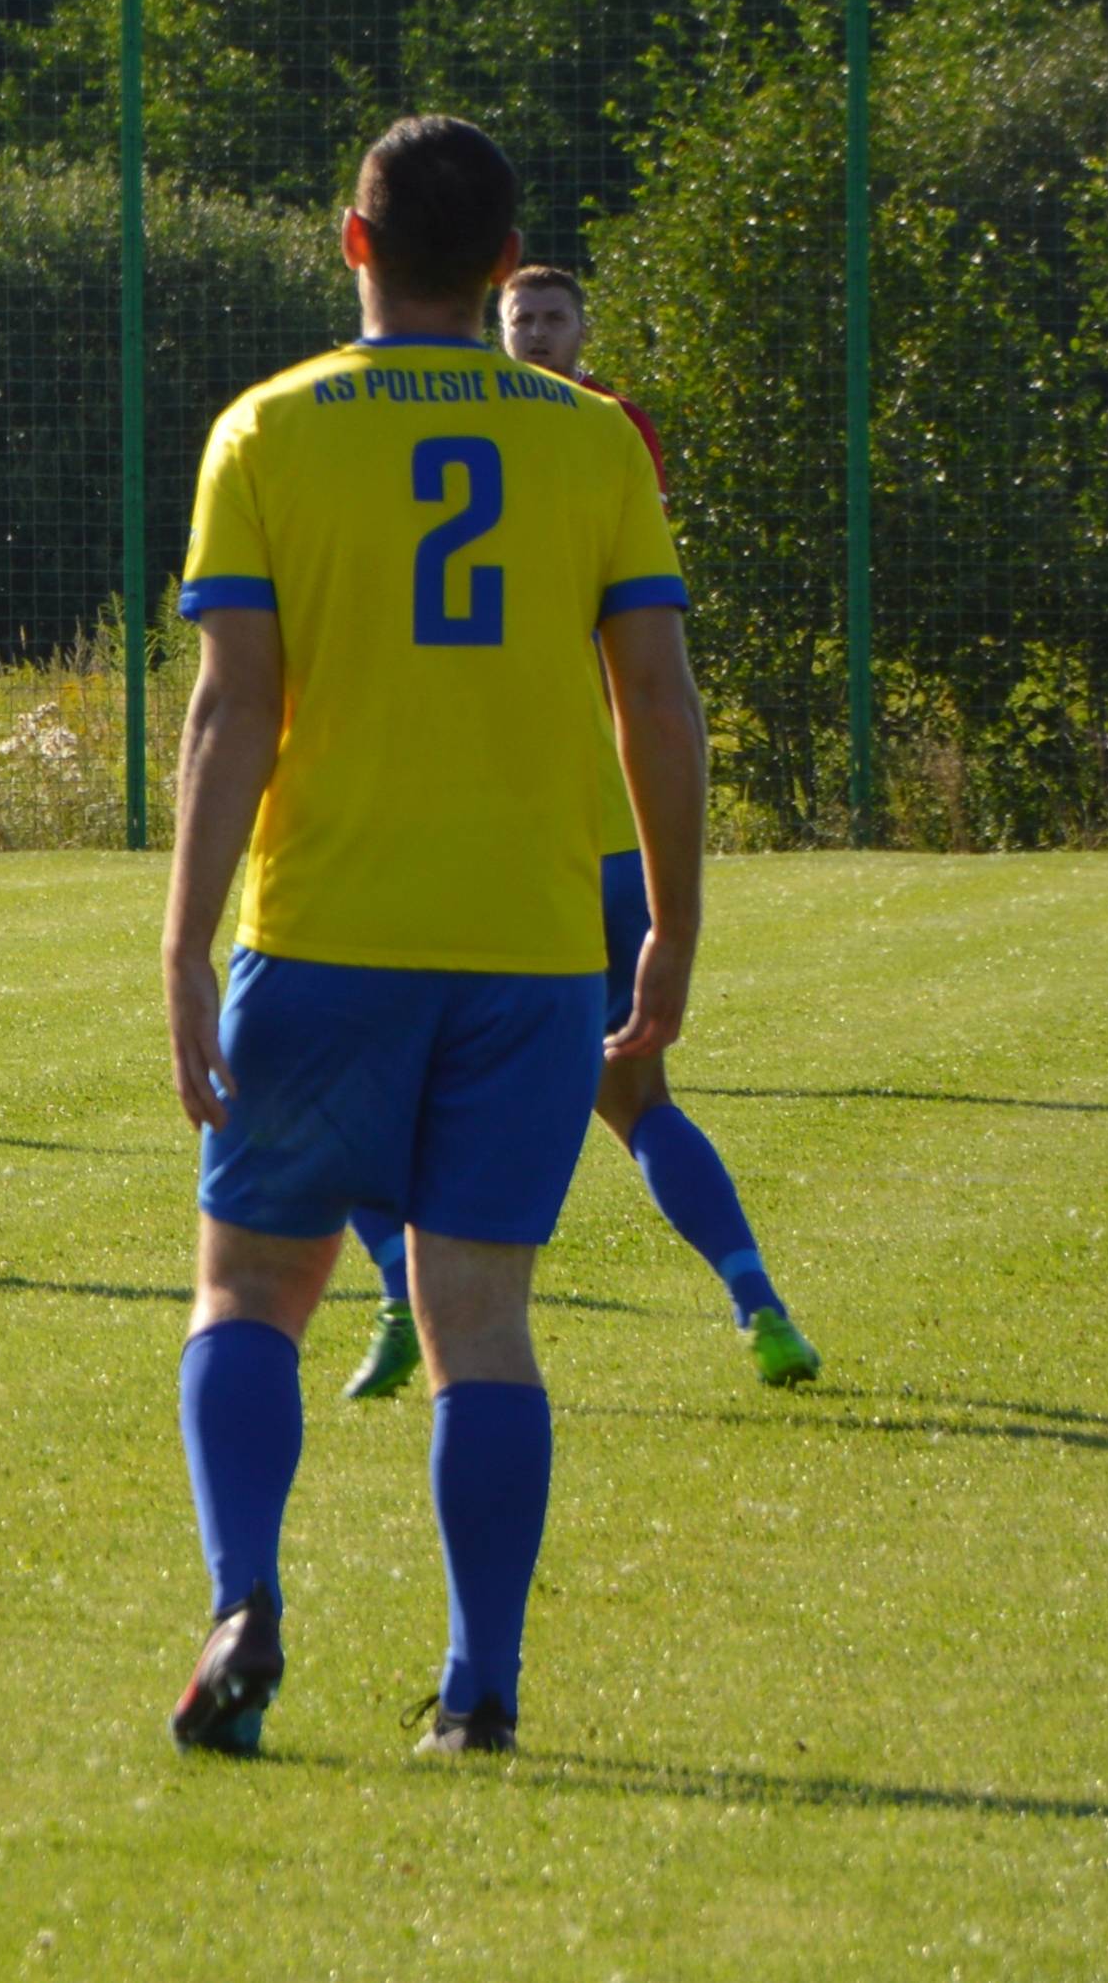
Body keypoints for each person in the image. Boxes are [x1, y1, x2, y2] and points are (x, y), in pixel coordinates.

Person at [161, 116, 708, 1759]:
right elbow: (659, 700)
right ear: (498, 263)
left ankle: (243, 1596)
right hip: (531, 941)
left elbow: (229, 707)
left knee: (253, 1284)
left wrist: (185, 944)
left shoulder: (264, 431)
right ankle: (477, 1684)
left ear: (350, 243)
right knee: (479, 1315)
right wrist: (669, 928)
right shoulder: (587, 441)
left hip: (324, 925)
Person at [343, 264, 819, 1402]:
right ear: (498, 320)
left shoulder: (375, 434)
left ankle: (404, 1296)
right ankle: (759, 1302)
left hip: (459, 834)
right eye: (525, 317)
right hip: (602, 828)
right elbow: (656, 684)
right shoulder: (595, 445)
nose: (541, 334)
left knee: (333, 1091)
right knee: (640, 1103)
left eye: (555, 318)